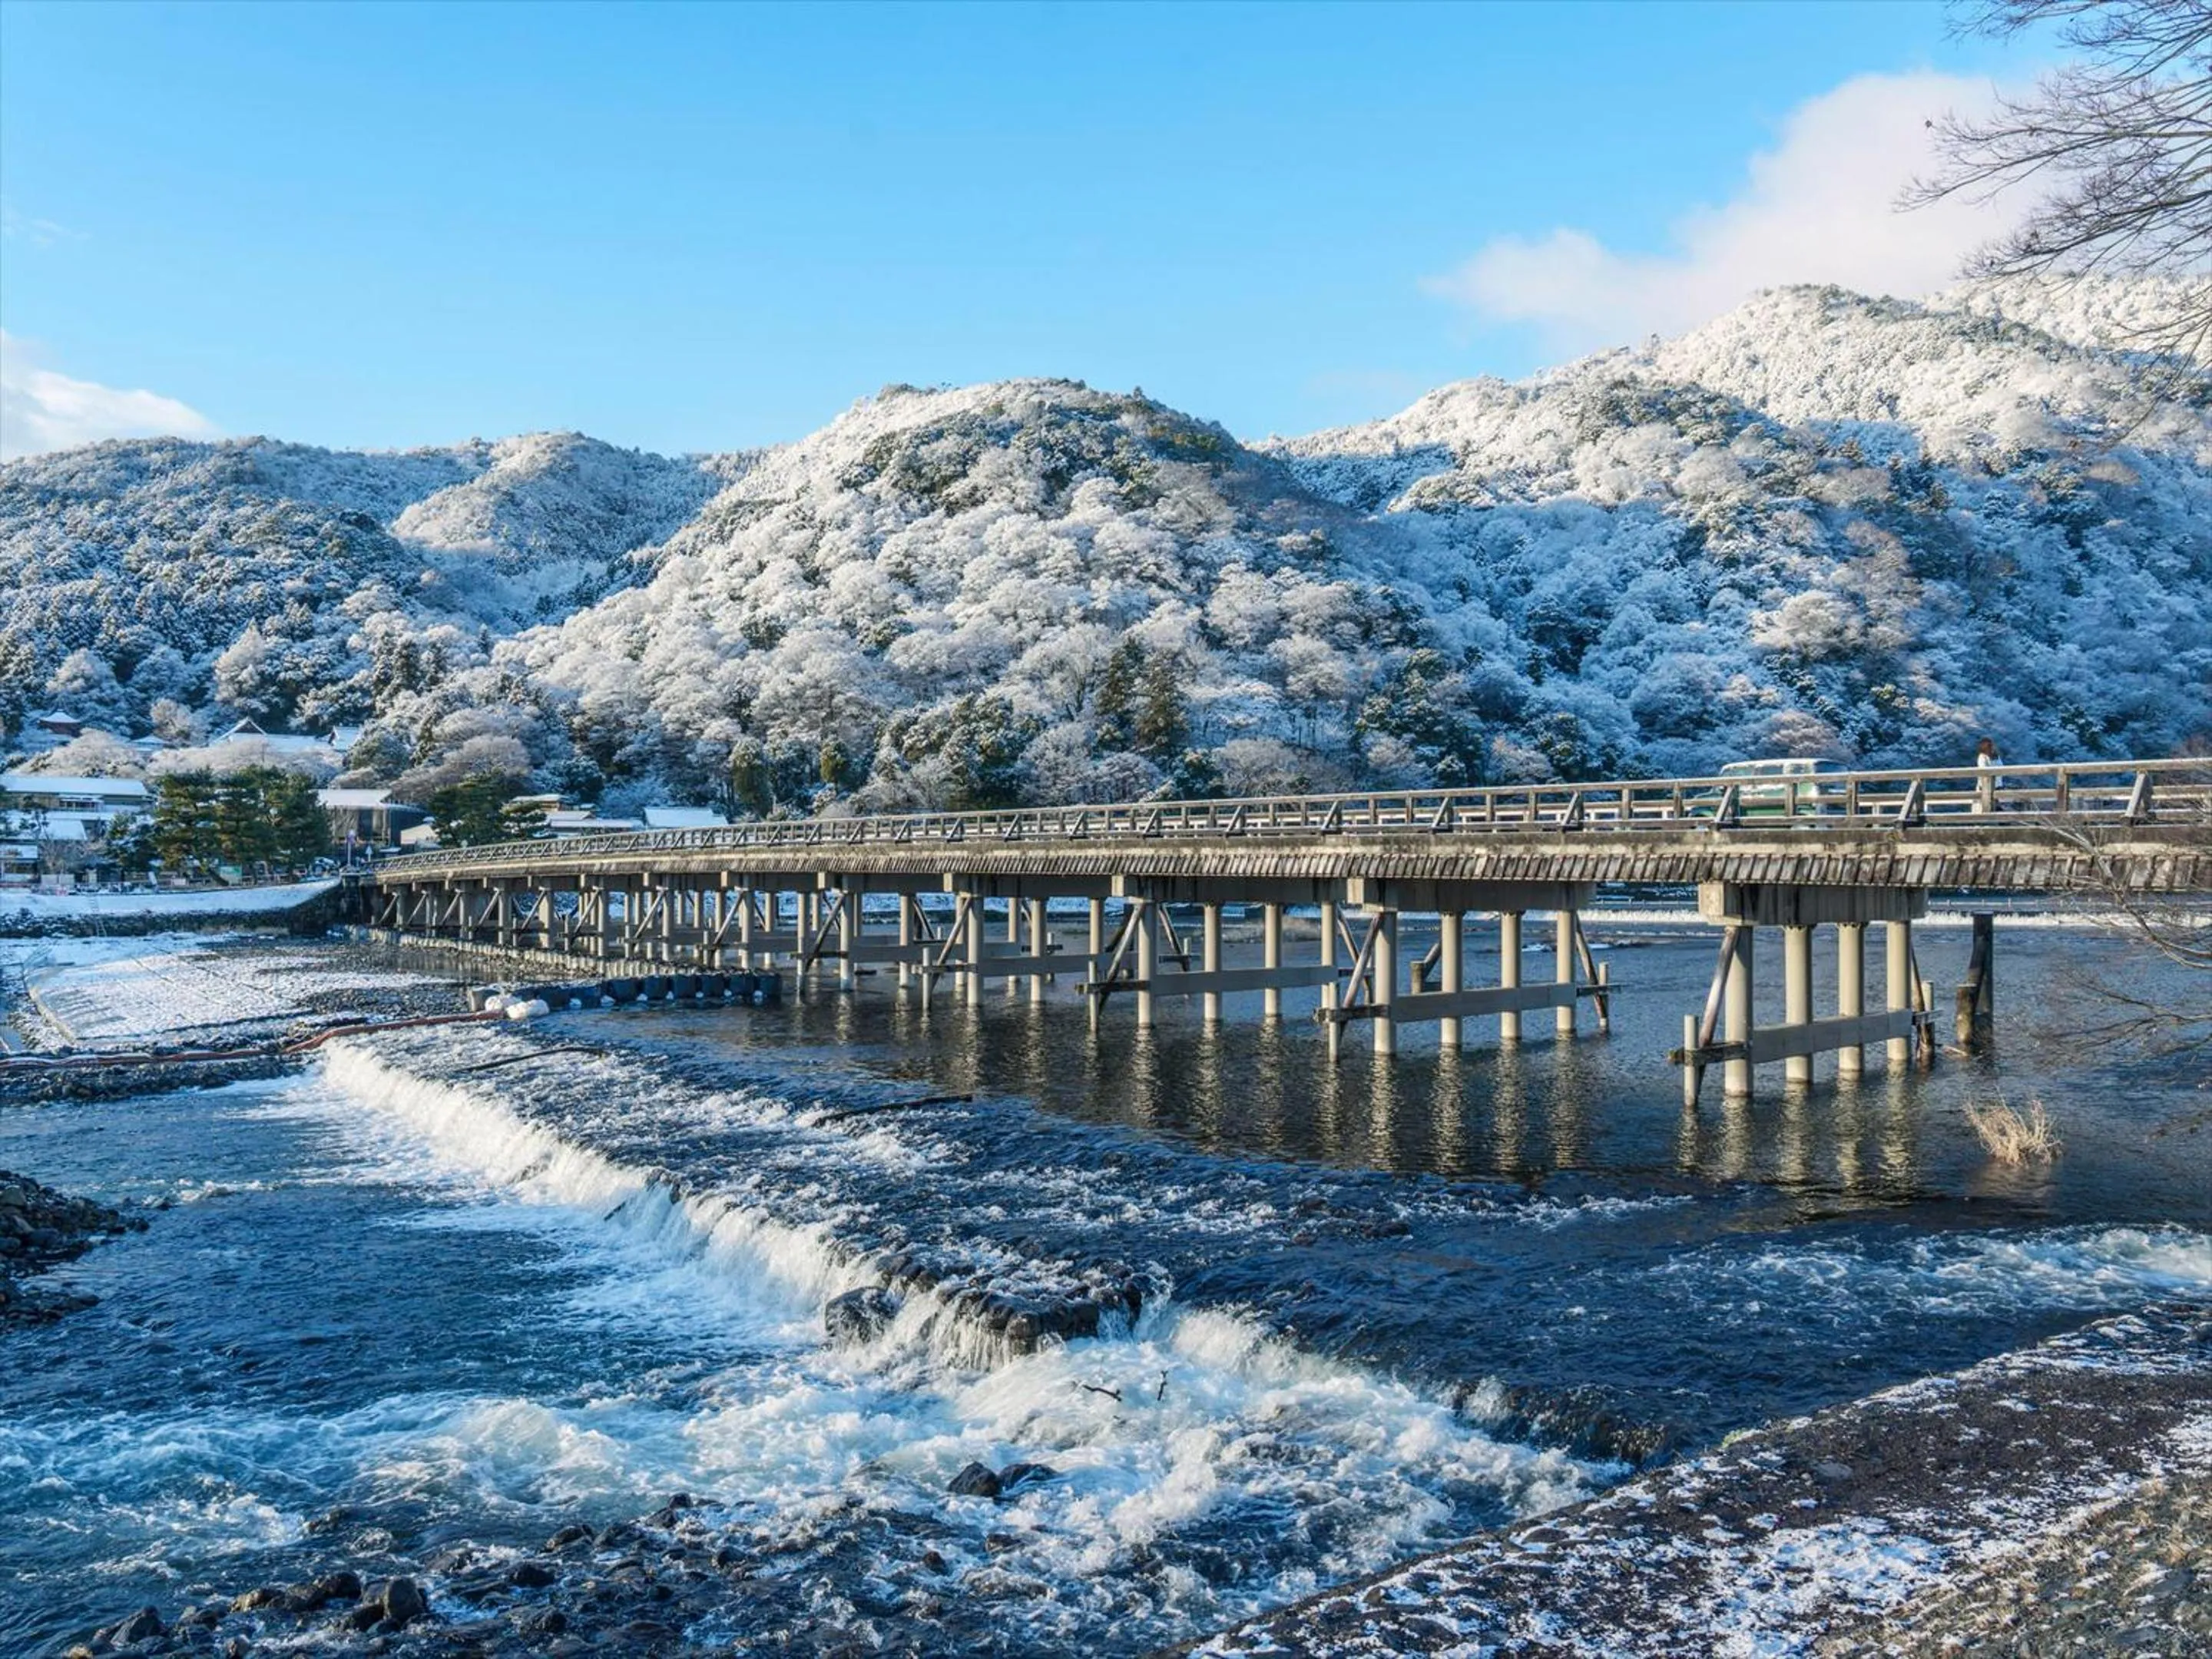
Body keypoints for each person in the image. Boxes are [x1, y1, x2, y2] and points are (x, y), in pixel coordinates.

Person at [1974, 737, 1999, 813]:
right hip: (1984, 789)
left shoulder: (1997, 757)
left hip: (1997, 787)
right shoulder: (1982, 757)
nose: (1993, 747)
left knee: (1996, 810)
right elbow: (1984, 771)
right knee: (1981, 810)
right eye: (1990, 746)